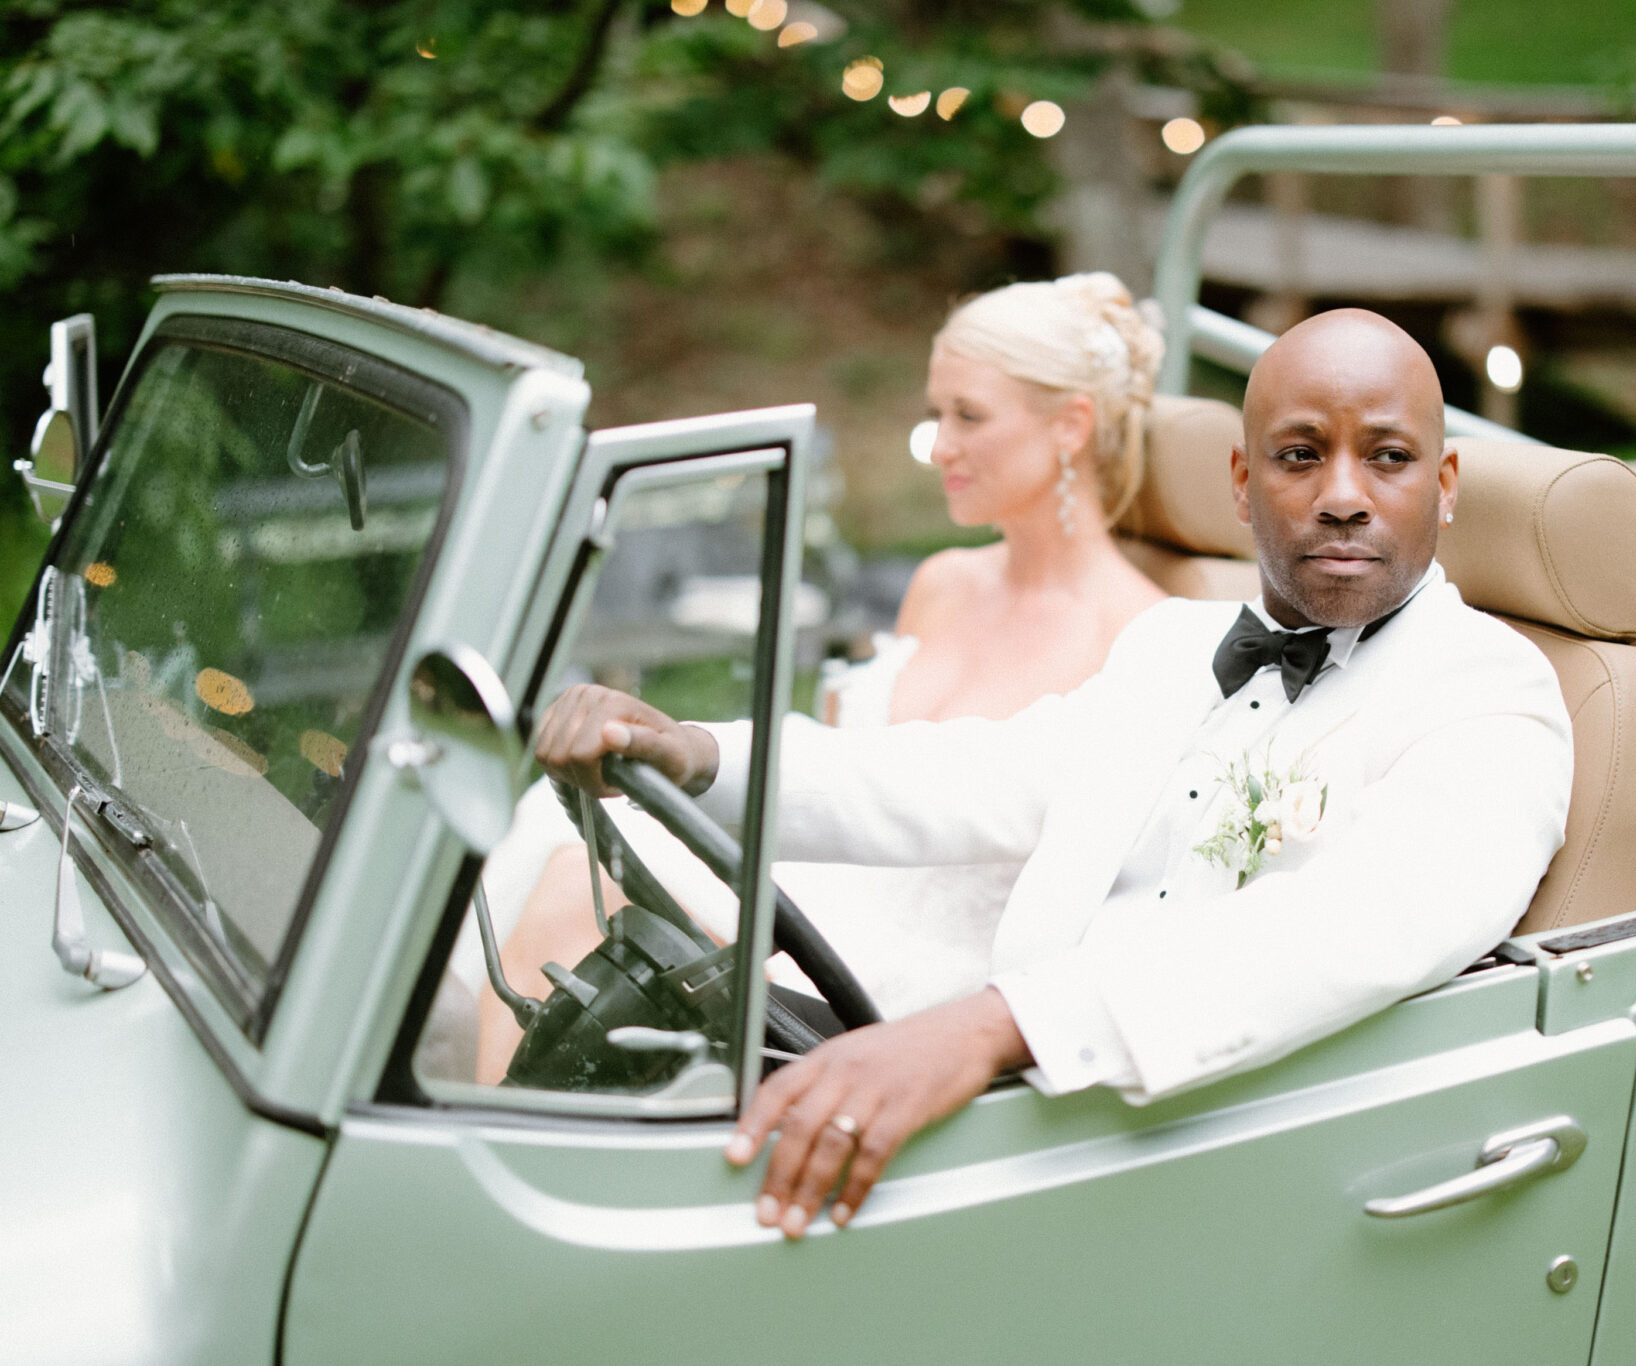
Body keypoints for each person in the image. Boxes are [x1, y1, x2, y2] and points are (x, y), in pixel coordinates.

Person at [533, 307, 1575, 1241]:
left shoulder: (1494, 696)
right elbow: (968, 771)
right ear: (1244, 482)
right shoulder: (1169, 648)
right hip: (1030, 1122)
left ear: (1441, 487)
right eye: (1300, 455)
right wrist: (698, 752)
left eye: (1385, 457)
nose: (1342, 496)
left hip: (1215, 1159)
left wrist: (987, 1027)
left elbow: (1342, 929)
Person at [469, 272, 1168, 1082]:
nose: (938, 445)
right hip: (821, 873)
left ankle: (495, 1137)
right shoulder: (944, 579)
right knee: (562, 855)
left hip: (916, 968)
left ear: (1071, 426)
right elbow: (858, 764)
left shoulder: (1139, 638)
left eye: (967, 417)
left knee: (576, 901)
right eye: (935, 413)